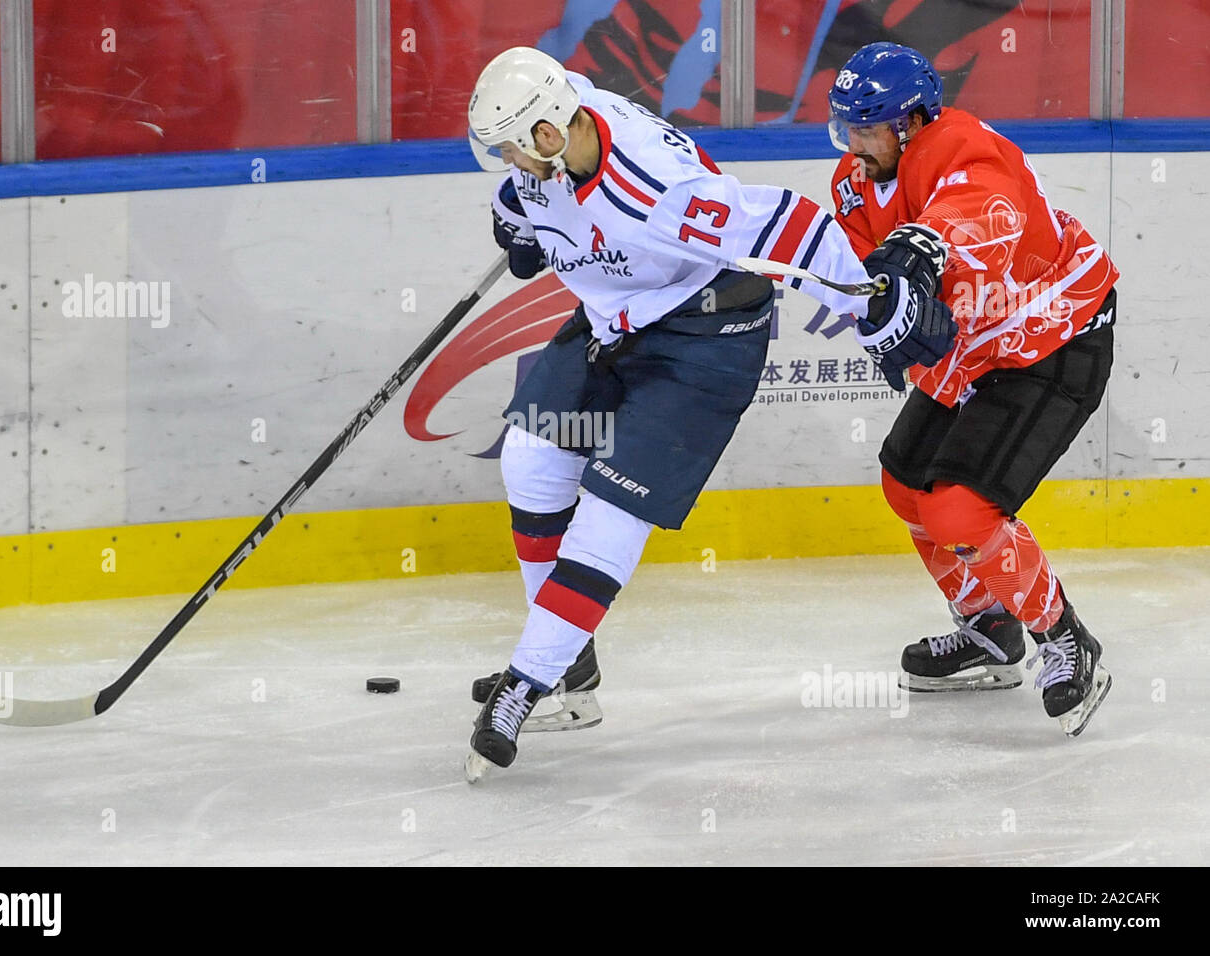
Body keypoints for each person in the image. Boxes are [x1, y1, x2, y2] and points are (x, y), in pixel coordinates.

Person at [462, 46, 956, 781]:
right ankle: (569, 664)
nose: (510, 165)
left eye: (512, 153)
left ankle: (529, 678)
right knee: (532, 459)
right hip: (615, 321)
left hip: (702, 341)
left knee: (611, 510)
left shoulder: (659, 192)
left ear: (545, 134)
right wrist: (517, 214)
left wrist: (873, 304)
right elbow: (537, 189)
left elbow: (786, 224)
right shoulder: (560, 121)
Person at [825, 42, 1119, 735]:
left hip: (1056, 337)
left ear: (911, 121)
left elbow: (989, 215)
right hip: (977, 346)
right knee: (905, 486)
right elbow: (865, 270)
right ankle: (990, 627)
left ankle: (1065, 638)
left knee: (960, 511)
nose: (853, 146)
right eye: (846, 129)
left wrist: (925, 245)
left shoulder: (961, 144)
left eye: (866, 129)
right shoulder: (857, 179)